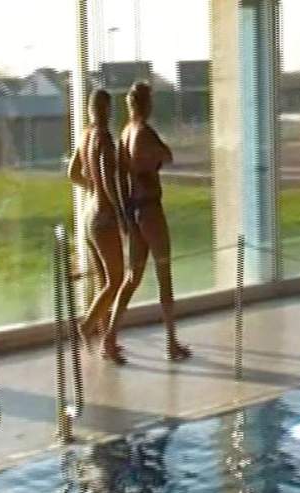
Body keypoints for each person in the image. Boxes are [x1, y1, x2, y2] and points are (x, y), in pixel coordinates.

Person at [106, 81, 191, 362]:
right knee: (164, 274)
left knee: (133, 278)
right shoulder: (145, 131)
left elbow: (121, 177)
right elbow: (167, 155)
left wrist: (124, 213)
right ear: (147, 103)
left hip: (134, 209)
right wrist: (153, 162)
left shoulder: (125, 133)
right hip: (150, 208)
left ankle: (110, 337)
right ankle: (171, 342)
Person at [67, 88, 126, 361]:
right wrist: (121, 213)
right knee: (116, 280)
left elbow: (72, 173)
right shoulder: (103, 137)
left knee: (104, 280)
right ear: (107, 109)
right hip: (104, 216)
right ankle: (87, 325)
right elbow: (108, 178)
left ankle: (106, 342)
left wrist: (91, 187)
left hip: (88, 214)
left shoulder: (85, 135)